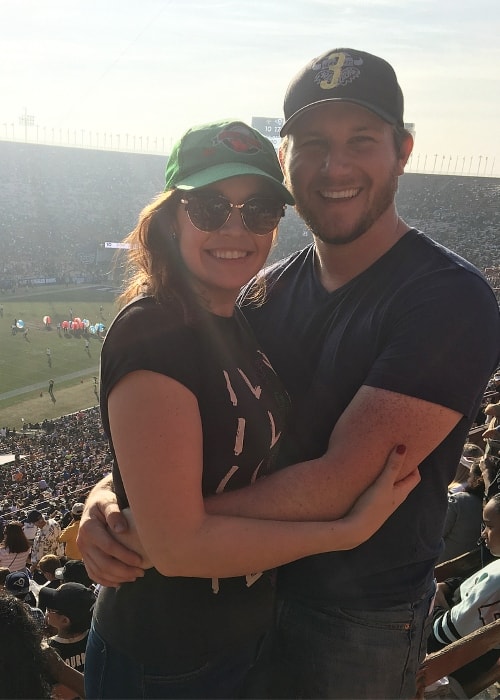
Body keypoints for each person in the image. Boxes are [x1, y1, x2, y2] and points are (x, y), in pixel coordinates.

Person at [78, 50, 500, 700]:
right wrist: (112, 495)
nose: (334, 167)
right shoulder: (263, 292)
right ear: (287, 160)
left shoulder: (448, 298)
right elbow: (204, 430)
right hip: (243, 610)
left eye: (361, 140)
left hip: (354, 616)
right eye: (312, 144)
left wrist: (162, 533)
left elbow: (341, 481)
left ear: (403, 150)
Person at [428, 493, 500, 688]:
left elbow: (444, 633)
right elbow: (476, 584)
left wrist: (432, 598)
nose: (483, 533)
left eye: (490, 526)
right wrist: (449, 586)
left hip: (447, 663)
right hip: (474, 662)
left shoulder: (497, 579)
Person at [27, 509, 64, 576]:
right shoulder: (53, 522)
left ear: (36, 523)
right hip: (58, 557)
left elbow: (39, 558)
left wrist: (32, 568)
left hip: (46, 566)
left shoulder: (42, 538)